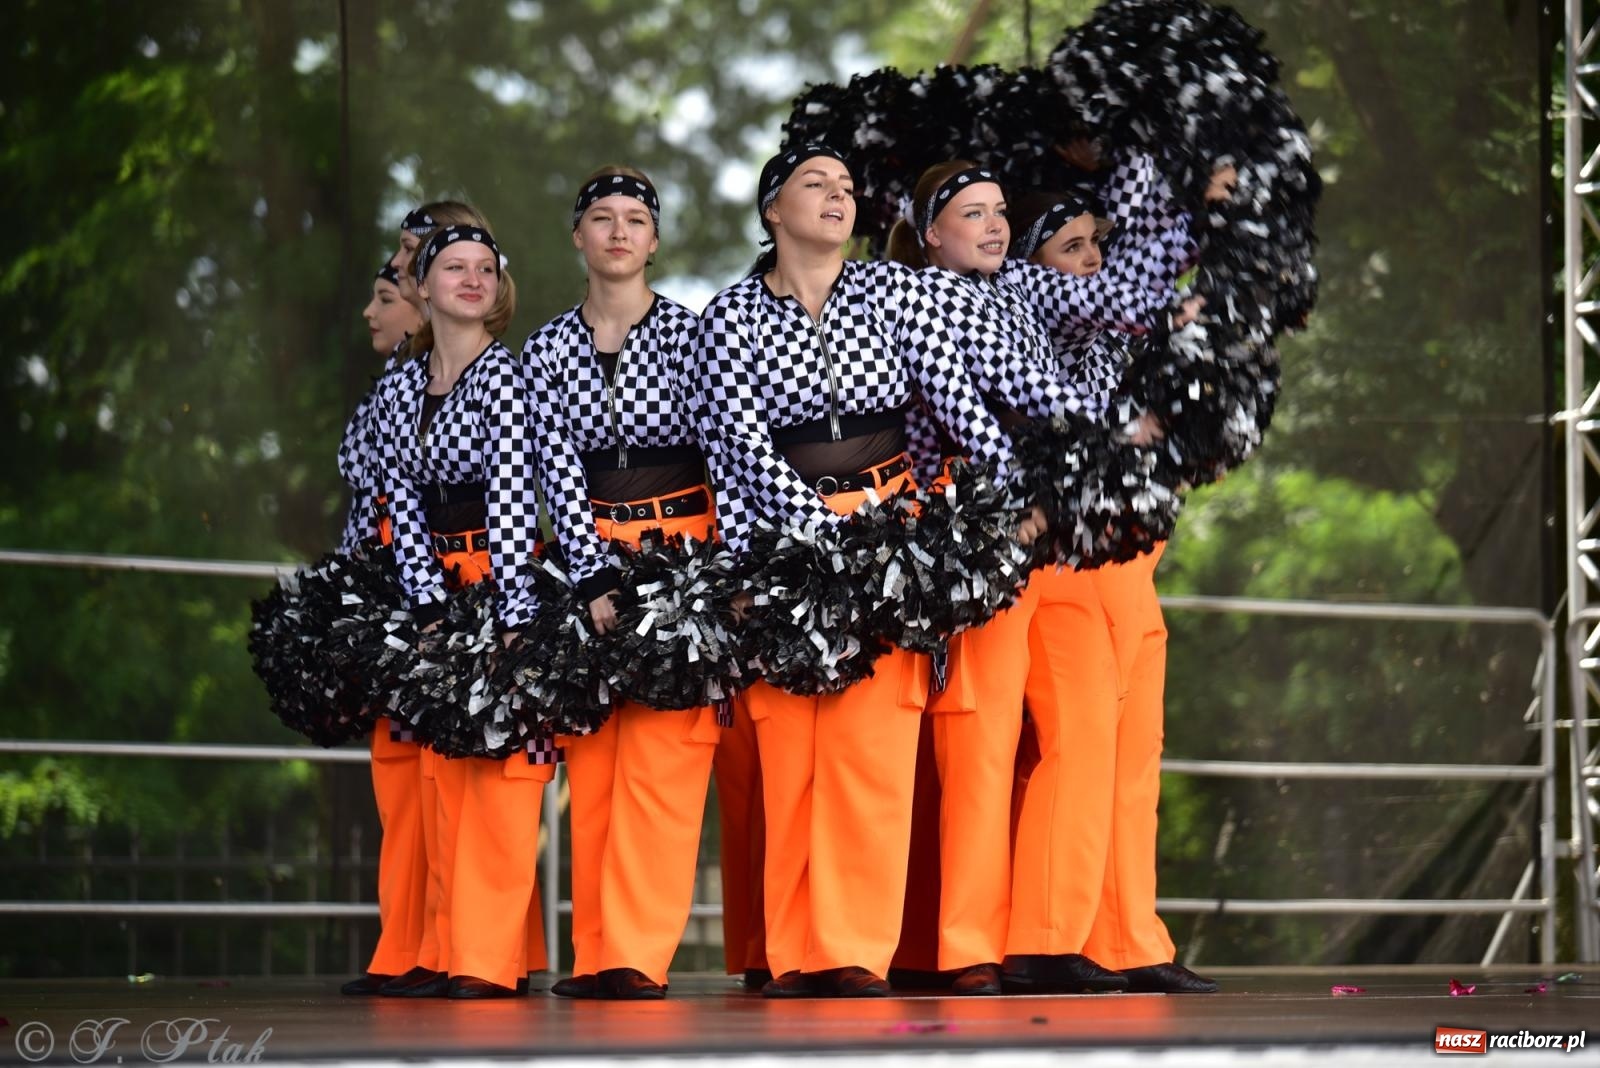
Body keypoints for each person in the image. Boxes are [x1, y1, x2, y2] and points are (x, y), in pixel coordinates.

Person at [691, 145, 1040, 999]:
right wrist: (811, 535)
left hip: (889, 538)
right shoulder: (726, 319)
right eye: (816, 185)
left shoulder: (898, 292)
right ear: (773, 209)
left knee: (874, 755)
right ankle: (791, 951)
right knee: (791, 753)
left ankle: (851, 951)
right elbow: (737, 444)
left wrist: (1012, 499)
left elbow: (959, 400)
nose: (838, 197)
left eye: (846, 187)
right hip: (779, 545)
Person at [888, 161, 1134, 997]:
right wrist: (1095, 449)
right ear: (930, 232)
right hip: (977, 530)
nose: (993, 227)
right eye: (971, 214)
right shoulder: (914, 294)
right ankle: (965, 948)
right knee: (979, 742)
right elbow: (974, 404)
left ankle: (1048, 935)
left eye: (999, 212)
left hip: (1051, 528)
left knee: (1087, 724)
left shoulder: (1020, 290)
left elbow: (1087, 340)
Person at [996, 151, 1231, 995]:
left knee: (1135, 758)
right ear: (1031, 259)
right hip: (1058, 560)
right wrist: (1195, 216)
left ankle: (1131, 940)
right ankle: (1044, 937)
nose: (1091, 256)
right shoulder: (1024, 299)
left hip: (1131, 560)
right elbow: (1131, 292)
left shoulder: (1113, 330)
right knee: (1081, 743)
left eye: (1097, 240)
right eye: (1071, 243)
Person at [524, 166, 722, 1001]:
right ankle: (598, 953)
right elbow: (551, 474)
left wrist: (713, 574)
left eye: (634, 219)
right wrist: (591, 576)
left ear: (654, 239)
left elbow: (727, 453)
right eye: (600, 218)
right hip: (586, 560)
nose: (617, 232)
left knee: (665, 761)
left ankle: (639, 955)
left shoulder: (696, 335)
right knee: (594, 762)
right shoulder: (542, 350)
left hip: (682, 551)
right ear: (577, 236)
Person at [375, 222, 553, 999]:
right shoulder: (400, 387)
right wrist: (425, 605)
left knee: (501, 772)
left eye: (486, 268)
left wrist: (510, 615)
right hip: (437, 589)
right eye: (455, 267)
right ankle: (444, 951)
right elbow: (402, 506)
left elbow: (516, 502)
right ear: (424, 287)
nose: (473, 279)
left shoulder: (504, 379)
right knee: (442, 772)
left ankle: (486, 960)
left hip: (502, 579)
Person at [337, 263, 425, 996]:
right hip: (382, 582)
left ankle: (454, 951)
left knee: (446, 781)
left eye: (389, 293)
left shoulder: (460, 382)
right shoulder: (393, 385)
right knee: (399, 781)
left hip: (425, 587)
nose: (372, 309)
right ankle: (403, 946)